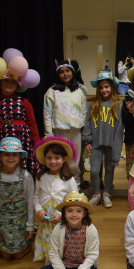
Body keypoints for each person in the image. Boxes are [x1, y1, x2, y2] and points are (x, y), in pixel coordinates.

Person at [38, 192, 100, 269]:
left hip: (82, 267)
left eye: (79, 211)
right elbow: (53, 253)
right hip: (64, 265)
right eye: (70, 211)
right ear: (64, 213)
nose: (74, 215)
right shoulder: (58, 229)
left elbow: (92, 255)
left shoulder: (91, 229)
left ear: (84, 213)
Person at [0, 137, 34, 259]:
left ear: (19, 157)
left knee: (18, 255)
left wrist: (30, 226)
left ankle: (30, 242)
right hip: (2, 224)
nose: (11, 158)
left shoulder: (26, 177)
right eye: (7, 154)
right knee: (6, 256)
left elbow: (30, 202)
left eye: (14, 154)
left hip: (20, 223)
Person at [0, 70, 41, 176]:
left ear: (17, 85)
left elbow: (32, 123)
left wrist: (36, 144)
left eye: (13, 82)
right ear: (0, 83)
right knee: (5, 166)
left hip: (23, 140)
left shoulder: (25, 102)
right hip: (2, 138)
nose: (9, 84)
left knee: (22, 168)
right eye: (6, 81)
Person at [33, 136, 79, 264]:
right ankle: (49, 258)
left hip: (63, 217)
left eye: (57, 158)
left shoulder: (68, 179)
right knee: (48, 237)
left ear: (64, 159)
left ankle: (62, 259)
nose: (53, 161)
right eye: (49, 157)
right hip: (46, 218)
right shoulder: (40, 177)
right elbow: (36, 197)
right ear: (44, 159)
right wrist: (39, 210)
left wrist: (61, 214)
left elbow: (75, 199)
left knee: (61, 238)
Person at [82, 69, 123, 208]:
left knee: (110, 169)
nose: (104, 90)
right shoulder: (93, 104)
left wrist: (117, 145)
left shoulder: (117, 105)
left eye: (107, 87)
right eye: (101, 87)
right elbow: (87, 123)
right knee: (94, 170)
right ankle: (96, 194)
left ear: (112, 87)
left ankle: (106, 193)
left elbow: (119, 128)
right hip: (95, 143)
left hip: (111, 143)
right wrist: (87, 140)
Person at [43, 59, 88, 185]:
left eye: (67, 71)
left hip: (76, 132)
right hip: (59, 132)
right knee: (59, 159)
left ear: (72, 72)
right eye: (61, 72)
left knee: (74, 161)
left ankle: (75, 186)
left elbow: (84, 111)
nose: (65, 74)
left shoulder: (79, 91)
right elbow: (47, 113)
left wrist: (82, 127)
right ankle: (60, 186)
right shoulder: (52, 91)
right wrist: (49, 134)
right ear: (58, 75)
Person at [71, 59, 91, 190]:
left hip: (80, 127)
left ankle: (80, 181)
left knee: (79, 157)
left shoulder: (81, 88)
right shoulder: (59, 89)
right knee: (72, 157)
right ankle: (72, 183)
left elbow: (86, 109)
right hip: (67, 127)